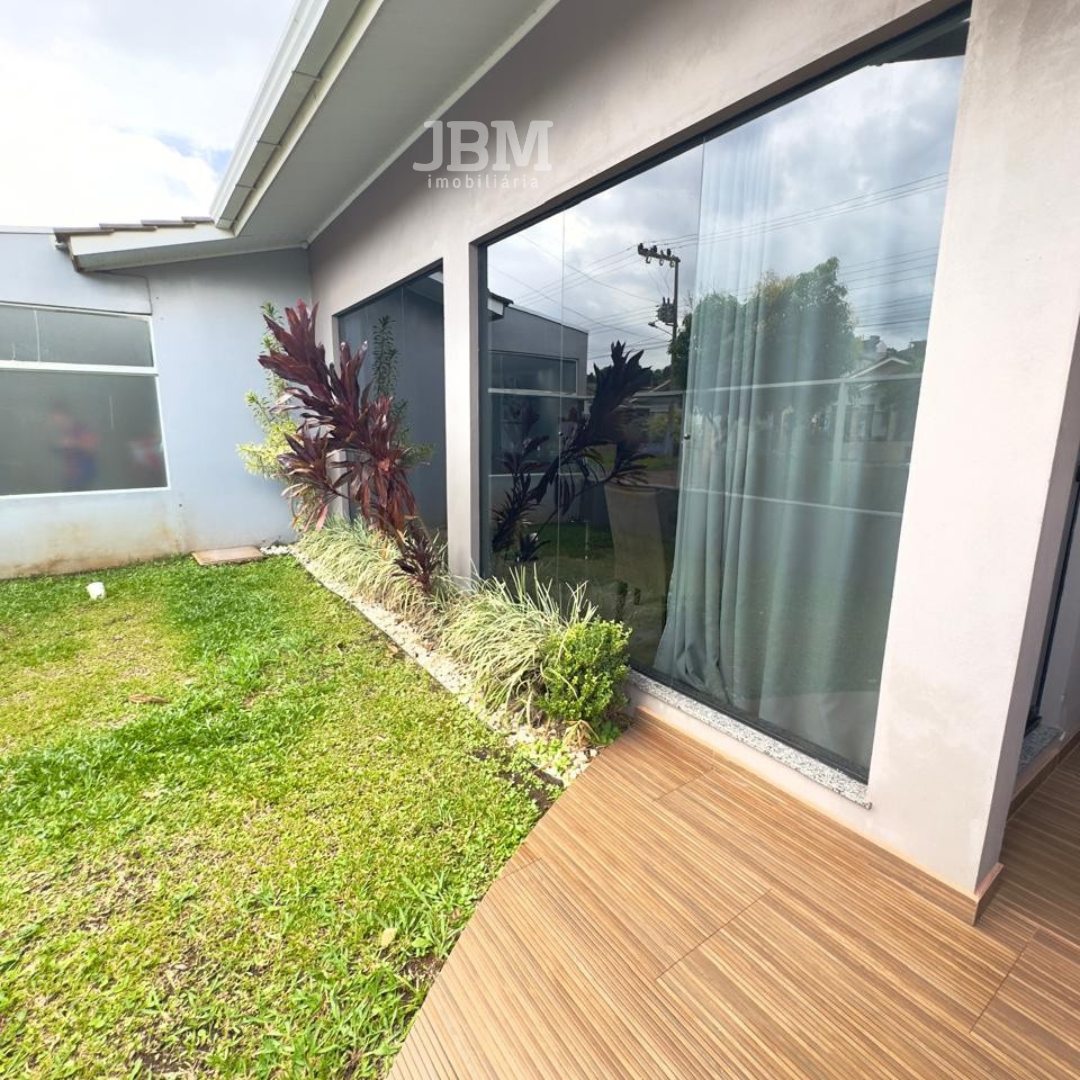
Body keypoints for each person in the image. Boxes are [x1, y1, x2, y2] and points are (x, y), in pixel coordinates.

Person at [49, 404, 100, 491]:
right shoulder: (64, 430)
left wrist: (73, 443)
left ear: (63, 415)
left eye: (55, 417)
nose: (53, 420)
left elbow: (92, 447)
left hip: (83, 475)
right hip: (72, 475)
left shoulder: (79, 428)